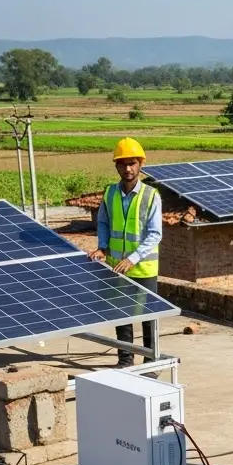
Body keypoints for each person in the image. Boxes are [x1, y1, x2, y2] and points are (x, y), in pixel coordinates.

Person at [88, 137, 162, 367]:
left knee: (148, 318)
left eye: (132, 163)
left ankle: (151, 362)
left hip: (144, 268)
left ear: (140, 164)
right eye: (122, 163)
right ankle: (125, 360)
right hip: (116, 266)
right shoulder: (110, 193)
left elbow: (155, 234)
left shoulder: (151, 195)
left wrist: (132, 259)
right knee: (121, 315)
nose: (128, 168)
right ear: (116, 166)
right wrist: (102, 247)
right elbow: (103, 222)